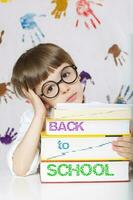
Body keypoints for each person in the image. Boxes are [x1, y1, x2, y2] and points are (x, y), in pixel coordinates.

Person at [7, 43, 133, 177]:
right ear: (40, 100)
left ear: (77, 74)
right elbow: (20, 169)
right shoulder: (34, 119)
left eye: (66, 74)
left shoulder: (106, 114)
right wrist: (39, 114)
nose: (64, 88)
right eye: (49, 88)